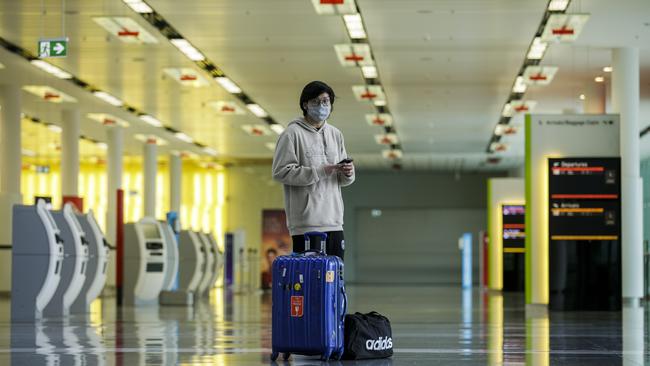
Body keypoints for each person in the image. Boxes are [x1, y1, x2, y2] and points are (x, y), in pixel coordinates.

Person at [272, 81, 355, 260]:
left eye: (326, 101)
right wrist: (320, 171)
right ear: (305, 104)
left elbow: (342, 180)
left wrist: (348, 173)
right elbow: (281, 172)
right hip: (307, 224)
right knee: (310, 280)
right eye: (316, 101)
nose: (322, 106)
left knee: (335, 277)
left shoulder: (336, 134)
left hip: (334, 222)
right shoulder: (291, 134)